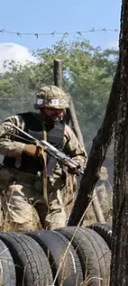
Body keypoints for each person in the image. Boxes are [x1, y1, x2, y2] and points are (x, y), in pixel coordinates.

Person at [0, 85, 87, 231]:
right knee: (23, 232)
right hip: (19, 185)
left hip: (51, 189)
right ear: (42, 106)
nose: (58, 113)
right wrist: (24, 149)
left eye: (61, 109)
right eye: (53, 109)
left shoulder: (64, 130)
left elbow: (79, 155)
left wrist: (74, 164)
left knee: (58, 234)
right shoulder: (19, 122)